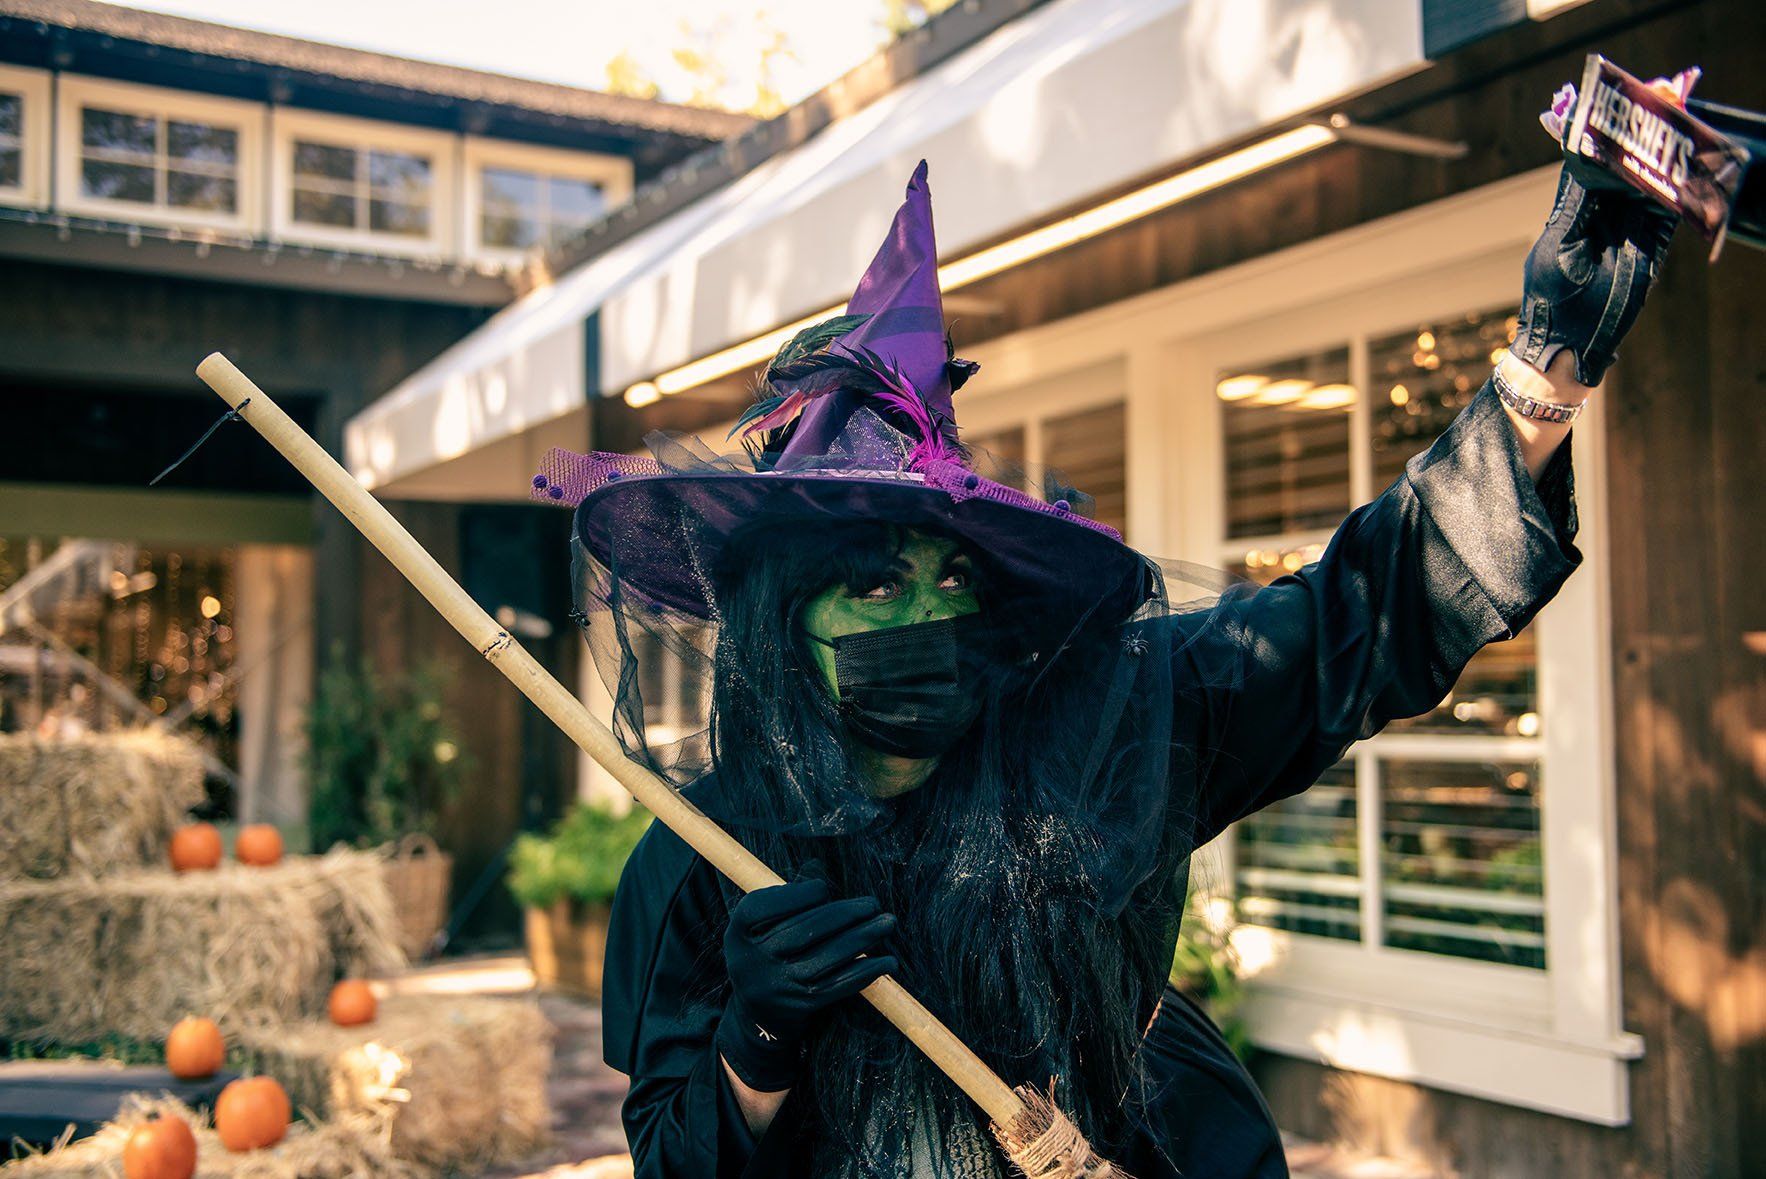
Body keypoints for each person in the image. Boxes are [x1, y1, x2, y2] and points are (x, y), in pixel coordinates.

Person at [531, 159, 1675, 1178]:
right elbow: (674, 1158)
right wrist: (756, 1045)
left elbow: (1351, 621)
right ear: (784, 625)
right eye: (872, 585)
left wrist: (1543, 371)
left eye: (953, 577)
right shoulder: (698, 866)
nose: (928, 609)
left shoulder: (1107, 728)